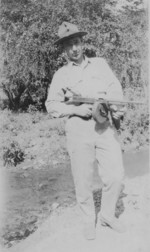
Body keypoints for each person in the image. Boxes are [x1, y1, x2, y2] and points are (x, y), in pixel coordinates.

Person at [45, 22, 126, 240]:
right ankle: (88, 220)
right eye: (69, 45)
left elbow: (114, 87)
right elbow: (51, 105)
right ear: (64, 49)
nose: (74, 48)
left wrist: (116, 106)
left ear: (83, 43)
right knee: (83, 181)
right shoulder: (60, 75)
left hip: (104, 126)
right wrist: (76, 109)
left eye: (77, 42)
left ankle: (107, 215)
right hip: (78, 130)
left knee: (116, 175)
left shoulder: (100, 64)